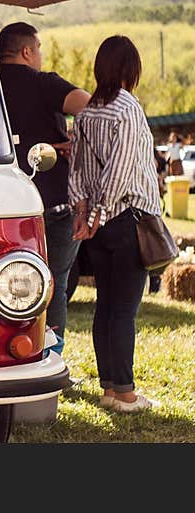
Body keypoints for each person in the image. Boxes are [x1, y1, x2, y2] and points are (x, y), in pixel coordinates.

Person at [69, 35, 161, 413]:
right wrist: (99, 213)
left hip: (99, 226)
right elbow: (121, 172)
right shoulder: (128, 108)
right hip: (124, 219)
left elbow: (77, 170)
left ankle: (109, 388)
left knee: (106, 306)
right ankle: (123, 393)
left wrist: (85, 213)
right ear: (130, 70)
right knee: (123, 309)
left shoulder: (87, 111)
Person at [0, 22, 91, 356]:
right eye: (38, 48)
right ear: (27, 51)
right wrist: (73, 141)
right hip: (52, 199)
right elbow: (95, 109)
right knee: (55, 283)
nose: (39, 55)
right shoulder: (44, 83)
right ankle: (52, 356)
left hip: (0, 206)